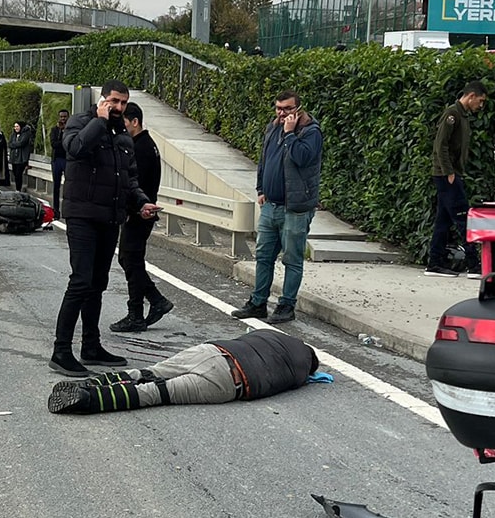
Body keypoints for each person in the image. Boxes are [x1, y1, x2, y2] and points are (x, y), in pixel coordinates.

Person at [49, 80, 161, 377]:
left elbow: (129, 178)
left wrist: (141, 203)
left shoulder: (122, 134)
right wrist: (99, 121)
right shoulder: (81, 122)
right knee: (81, 282)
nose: (119, 108)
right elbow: (73, 148)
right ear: (102, 101)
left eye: (123, 103)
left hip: (110, 218)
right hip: (82, 216)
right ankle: (61, 351)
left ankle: (91, 346)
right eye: (114, 101)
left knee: (97, 284)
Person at [47, 329, 319, 414]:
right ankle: (89, 401)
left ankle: (91, 383)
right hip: (228, 380)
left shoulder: (275, 335)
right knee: (155, 393)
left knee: (148, 372)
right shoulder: (299, 374)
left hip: (210, 351)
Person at [230, 90, 323, 325]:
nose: (282, 113)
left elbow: (302, 158)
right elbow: (264, 158)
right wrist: (261, 188)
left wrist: (290, 134)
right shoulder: (272, 127)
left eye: (287, 109)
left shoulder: (310, 132)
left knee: (292, 259)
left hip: (295, 208)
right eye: (279, 108)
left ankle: (286, 305)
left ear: (298, 109)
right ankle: (258, 302)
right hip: (271, 204)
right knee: (263, 256)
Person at [110, 102, 173, 333]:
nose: (122, 128)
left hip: (140, 213)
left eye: (124, 122)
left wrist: (132, 209)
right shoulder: (145, 144)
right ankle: (155, 301)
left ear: (134, 122)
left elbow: (136, 184)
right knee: (128, 260)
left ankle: (137, 312)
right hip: (140, 212)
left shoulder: (141, 147)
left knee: (131, 260)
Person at [425, 81, 487, 278]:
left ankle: (435, 263)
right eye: (481, 100)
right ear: (471, 96)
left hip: (450, 174)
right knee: (463, 219)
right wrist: (449, 172)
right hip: (447, 175)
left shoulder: (462, 115)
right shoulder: (452, 114)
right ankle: (474, 265)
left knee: (443, 221)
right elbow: (440, 144)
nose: (481, 105)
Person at [49, 109, 69, 214]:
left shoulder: (70, 129)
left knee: (68, 186)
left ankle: (67, 209)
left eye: (65, 117)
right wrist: (62, 136)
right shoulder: (54, 130)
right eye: (61, 117)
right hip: (56, 160)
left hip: (66, 160)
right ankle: (56, 210)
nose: (63, 119)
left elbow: (70, 143)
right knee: (56, 186)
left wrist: (65, 132)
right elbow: (54, 144)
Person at [7, 120, 33, 192]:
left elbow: (22, 143)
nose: (16, 128)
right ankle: (17, 188)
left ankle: (18, 189)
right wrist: (15, 144)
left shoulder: (26, 133)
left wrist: (14, 144)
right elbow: (9, 144)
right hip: (14, 158)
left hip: (21, 158)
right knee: (15, 173)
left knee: (19, 174)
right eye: (15, 126)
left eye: (17, 126)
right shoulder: (13, 134)